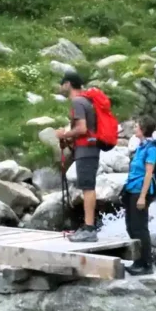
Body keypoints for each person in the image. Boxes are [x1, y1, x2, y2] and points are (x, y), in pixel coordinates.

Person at [55, 72, 100, 242]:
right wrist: (67, 139)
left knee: (88, 187)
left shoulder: (77, 101)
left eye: (62, 84)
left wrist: (64, 134)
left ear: (68, 84)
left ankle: (89, 229)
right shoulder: (86, 100)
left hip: (87, 150)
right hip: (88, 148)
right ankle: (88, 226)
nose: (61, 87)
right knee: (87, 186)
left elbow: (82, 129)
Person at [122, 117, 156, 275]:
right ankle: (138, 261)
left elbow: (149, 174)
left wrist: (143, 197)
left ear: (143, 129)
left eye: (137, 126)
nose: (134, 127)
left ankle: (146, 264)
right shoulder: (140, 146)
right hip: (131, 189)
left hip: (140, 191)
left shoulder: (151, 148)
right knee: (130, 226)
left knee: (140, 228)